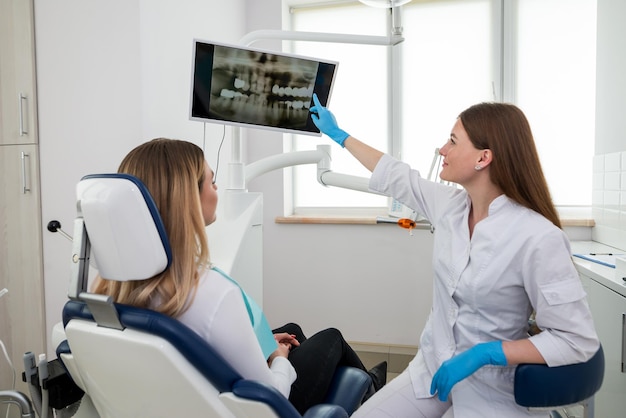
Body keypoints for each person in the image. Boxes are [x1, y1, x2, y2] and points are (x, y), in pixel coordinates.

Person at [309, 95, 600, 418]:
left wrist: (487, 353)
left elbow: (577, 340)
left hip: (492, 391)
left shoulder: (538, 237)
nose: (442, 150)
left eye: (452, 141)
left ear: (483, 158)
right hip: (432, 371)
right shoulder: (450, 206)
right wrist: (340, 135)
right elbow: (397, 175)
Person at [91, 138, 386, 414]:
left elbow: (201, 347)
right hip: (257, 407)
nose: (216, 190)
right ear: (187, 199)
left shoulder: (106, 288)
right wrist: (279, 361)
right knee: (331, 337)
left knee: (290, 330)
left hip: (182, 397)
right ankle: (373, 391)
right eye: (212, 181)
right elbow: (270, 395)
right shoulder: (210, 293)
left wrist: (266, 345)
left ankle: (370, 385)